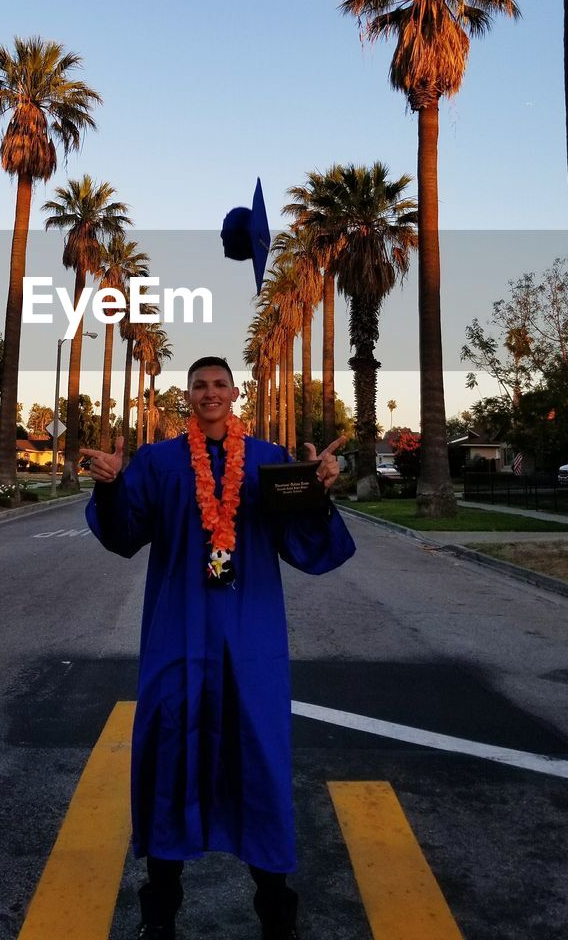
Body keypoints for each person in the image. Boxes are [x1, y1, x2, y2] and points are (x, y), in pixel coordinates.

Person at [81, 355, 356, 940]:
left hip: (249, 640)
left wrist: (319, 492)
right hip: (176, 635)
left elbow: (305, 544)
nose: (210, 394)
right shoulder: (158, 462)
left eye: (219, 385)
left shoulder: (267, 462)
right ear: (189, 397)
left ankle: (277, 915)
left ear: (236, 394)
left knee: (257, 758)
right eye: (200, 386)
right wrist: (109, 488)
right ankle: (159, 919)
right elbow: (125, 534)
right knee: (166, 758)